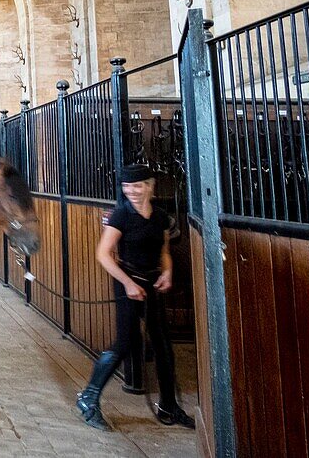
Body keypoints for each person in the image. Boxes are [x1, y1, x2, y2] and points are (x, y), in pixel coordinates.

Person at [76, 163, 195, 431]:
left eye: (138, 185)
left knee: (163, 345)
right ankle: (89, 398)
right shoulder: (121, 216)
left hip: (152, 285)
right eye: (127, 186)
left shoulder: (161, 217)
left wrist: (167, 272)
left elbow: (164, 250)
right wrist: (128, 284)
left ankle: (169, 405)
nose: (132, 191)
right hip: (128, 282)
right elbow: (103, 255)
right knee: (125, 343)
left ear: (150, 186)